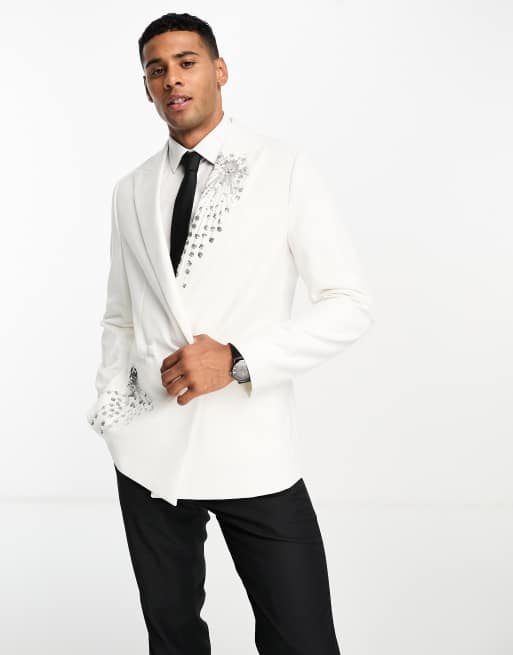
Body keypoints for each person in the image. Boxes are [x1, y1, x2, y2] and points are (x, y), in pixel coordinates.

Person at [86, 11, 374, 655]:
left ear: (219, 71)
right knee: (172, 638)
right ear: (146, 86)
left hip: (253, 451)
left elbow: (349, 304)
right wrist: (112, 408)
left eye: (186, 63)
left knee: (302, 639)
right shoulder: (130, 190)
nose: (172, 79)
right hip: (148, 453)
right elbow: (120, 315)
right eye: (156, 69)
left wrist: (241, 359)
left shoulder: (283, 168)